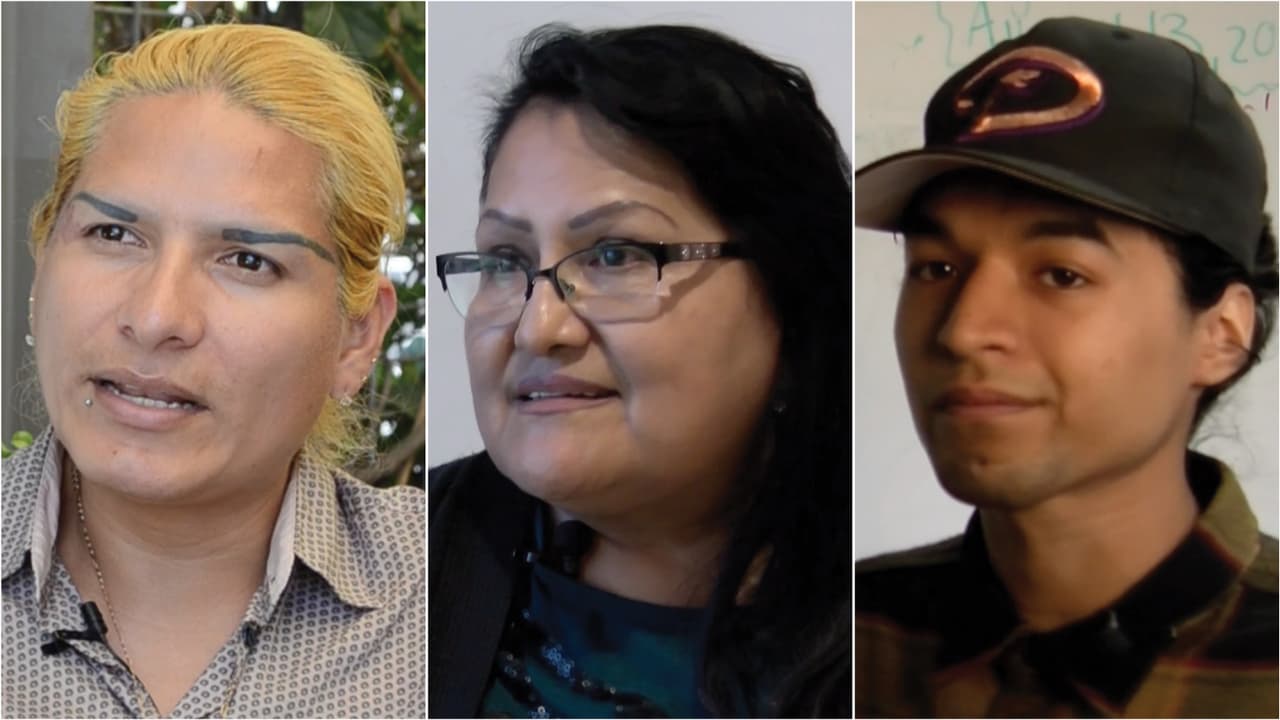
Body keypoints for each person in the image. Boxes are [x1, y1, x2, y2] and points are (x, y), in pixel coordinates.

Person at [854, 16, 1278, 718]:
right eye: (936, 267)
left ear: (1221, 334)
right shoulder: (848, 638)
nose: (963, 330)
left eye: (1061, 275)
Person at [2, 23, 424, 718]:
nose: (157, 315)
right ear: (42, 268)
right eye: (113, 234)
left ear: (356, 336)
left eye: (248, 261)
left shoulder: (460, 596)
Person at [429, 23, 851, 718]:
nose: (540, 326)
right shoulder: (408, 573)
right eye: (506, 262)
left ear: (794, 306)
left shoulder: (885, 642)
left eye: (616, 256)